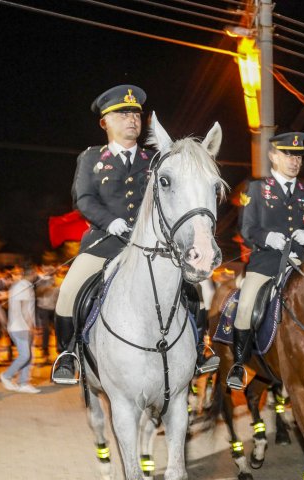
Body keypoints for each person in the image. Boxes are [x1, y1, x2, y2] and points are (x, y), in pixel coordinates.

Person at [52, 85, 218, 385]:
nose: (132, 119)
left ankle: (199, 348)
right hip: (104, 244)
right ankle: (67, 354)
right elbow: (84, 198)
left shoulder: (153, 161)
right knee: (68, 292)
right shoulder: (91, 158)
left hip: (148, 248)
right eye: (123, 113)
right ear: (105, 122)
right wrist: (109, 221)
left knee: (196, 292)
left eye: (136, 114)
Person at [226, 132, 304, 391]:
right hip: (266, 262)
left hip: (301, 264)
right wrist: (268, 237)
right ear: (273, 156)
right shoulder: (256, 188)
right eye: (288, 155)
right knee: (246, 305)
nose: (294, 161)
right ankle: (238, 364)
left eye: (298, 156)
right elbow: (246, 228)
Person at [0, 265, 40, 393]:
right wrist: (29, 326)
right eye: (36, 273)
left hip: (20, 326)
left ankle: (23, 383)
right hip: (20, 327)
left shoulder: (22, 285)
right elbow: (23, 308)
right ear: (32, 273)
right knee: (25, 355)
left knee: (28, 355)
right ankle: (6, 376)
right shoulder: (24, 286)